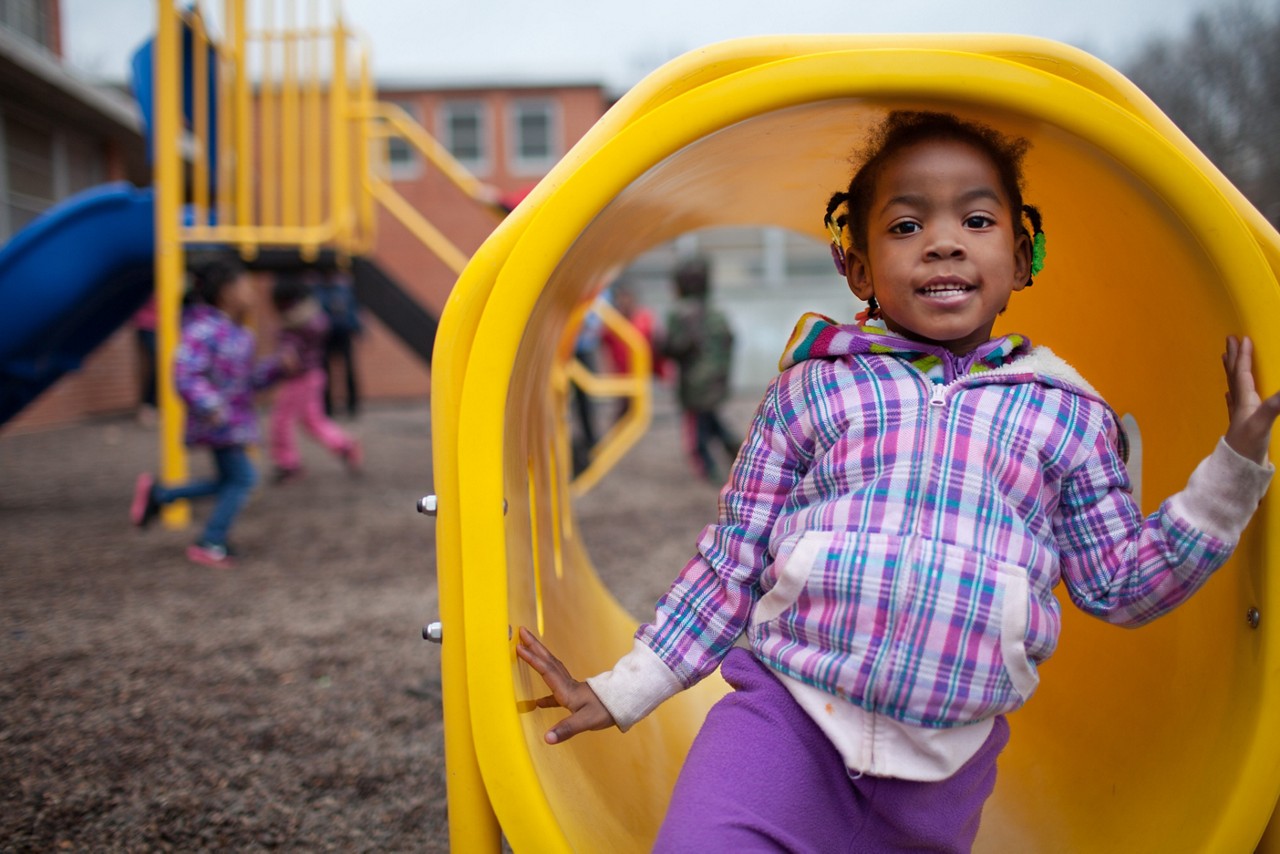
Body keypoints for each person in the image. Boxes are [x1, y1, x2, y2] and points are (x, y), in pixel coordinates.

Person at [515, 111, 1280, 851]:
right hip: (785, 723)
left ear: (1022, 258)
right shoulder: (814, 388)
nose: (943, 243)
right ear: (857, 265)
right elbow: (732, 562)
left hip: (946, 767)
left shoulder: (1067, 415)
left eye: (976, 222)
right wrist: (623, 689)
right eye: (907, 226)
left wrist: (1232, 474)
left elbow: (1121, 583)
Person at [129, 258, 293, 568]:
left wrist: (276, 368)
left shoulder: (239, 334)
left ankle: (161, 495)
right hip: (219, 422)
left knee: (230, 480)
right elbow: (185, 371)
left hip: (235, 422)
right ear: (226, 292)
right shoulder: (203, 330)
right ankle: (210, 540)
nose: (251, 291)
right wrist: (210, 404)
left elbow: (248, 382)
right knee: (244, 479)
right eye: (245, 284)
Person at [267, 274, 363, 483]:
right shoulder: (315, 317)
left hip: (299, 379)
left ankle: (287, 462)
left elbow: (289, 359)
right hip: (314, 376)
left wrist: (275, 364)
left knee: (281, 419)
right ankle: (344, 446)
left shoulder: (293, 324)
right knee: (313, 420)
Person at [660, 257, 740, 482]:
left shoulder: (679, 314)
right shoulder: (716, 313)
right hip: (715, 381)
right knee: (711, 419)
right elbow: (730, 342)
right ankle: (733, 447)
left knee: (698, 432)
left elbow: (674, 347)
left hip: (694, 384)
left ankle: (711, 471)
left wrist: (661, 346)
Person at [314, 269, 362, 418]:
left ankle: (352, 405)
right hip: (326, 336)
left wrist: (356, 327)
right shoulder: (318, 291)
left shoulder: (343, 289)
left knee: (349, 370)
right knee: (325, 372)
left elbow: (352, 309)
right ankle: (327, 407)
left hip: (343, 334)